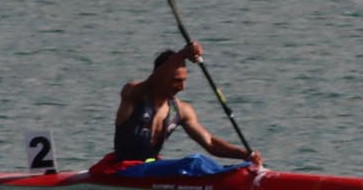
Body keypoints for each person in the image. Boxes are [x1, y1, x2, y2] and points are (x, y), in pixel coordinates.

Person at [111, 41, 261, 169]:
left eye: (183, 81)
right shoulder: (133, 94)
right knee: (194, 163)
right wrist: (182, 54)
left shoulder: (181, 110)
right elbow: (151, 83)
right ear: (161, 77)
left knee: (202, 164)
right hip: (122, 169)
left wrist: (244, 154)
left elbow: (210, 143)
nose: (182, 87)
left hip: (150, 167)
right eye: (176, 81)